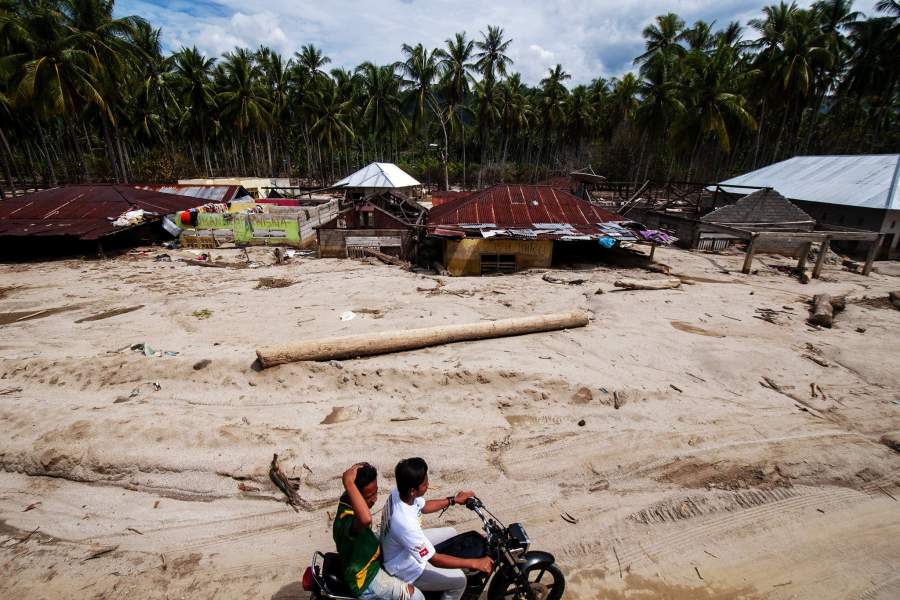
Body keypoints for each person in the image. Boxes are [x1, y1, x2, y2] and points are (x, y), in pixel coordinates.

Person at [380, 457, 493, 600]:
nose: (428, 484)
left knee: (451, 532)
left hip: (402, 547)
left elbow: (423, 506)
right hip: (404, 568)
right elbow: (435, 560)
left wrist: (453, 500)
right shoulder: (405, 523)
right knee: (459, 581)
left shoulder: (399, 493)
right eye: (425, 483)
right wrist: (476, 563)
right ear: (413, 490)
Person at [333, 463, 424, 600]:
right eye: (369, 495)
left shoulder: (348, 500)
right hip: (366, 578)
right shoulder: (347, 518)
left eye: (376, 492)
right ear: (355, 493)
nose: (375, 499)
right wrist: (348, 482)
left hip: (367, 558)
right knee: (416, 596)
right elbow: (365, 519)